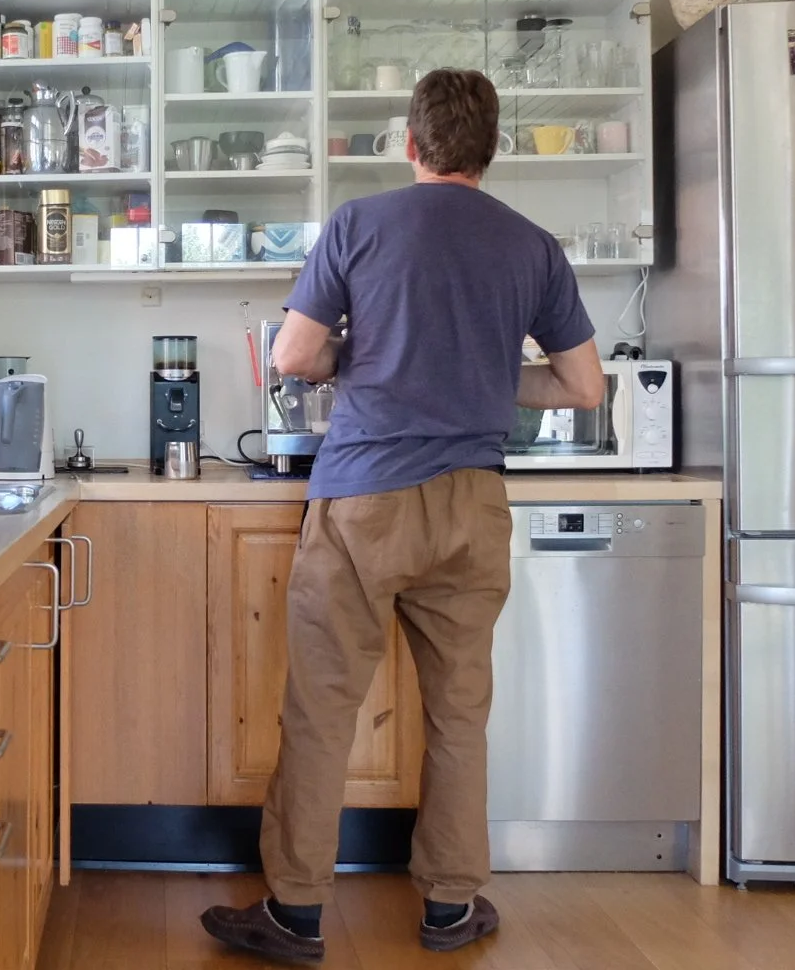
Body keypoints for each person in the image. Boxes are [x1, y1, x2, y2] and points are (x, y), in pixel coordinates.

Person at [200, 68, 604, 962]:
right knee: (459, 713)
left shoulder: (359, 224)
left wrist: (361, 355)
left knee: (322, 707)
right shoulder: (533, 246)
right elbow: (584, 387)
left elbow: (293, 356)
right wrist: (487, 374)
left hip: (366, 499)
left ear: (410, 144)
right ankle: (451, 907)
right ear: (490, 152)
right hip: (474, 503)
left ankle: (297, 913)